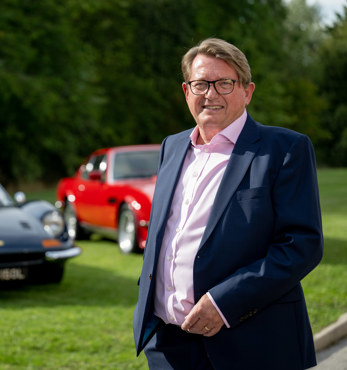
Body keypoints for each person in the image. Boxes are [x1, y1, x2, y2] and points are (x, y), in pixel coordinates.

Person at [133, 38, 323, 370]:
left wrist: (223, 303)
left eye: (224, 83)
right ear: (186, 91)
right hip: (168, 347)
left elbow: (301, 246)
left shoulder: (284, 149)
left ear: (247, 91)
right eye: (201, 84)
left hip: (252, 345)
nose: (211, 93)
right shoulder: (171, 147)